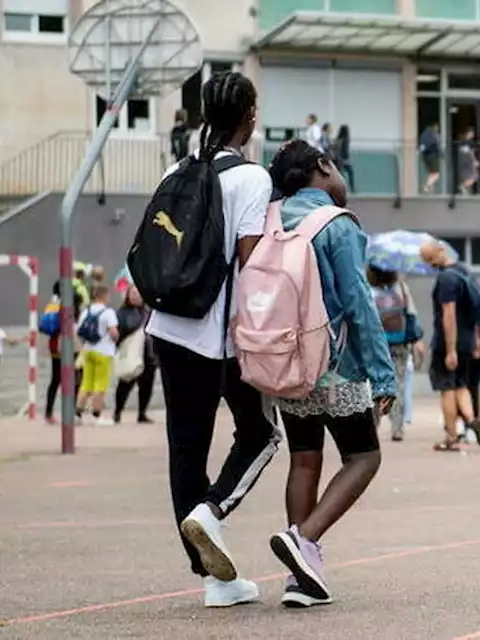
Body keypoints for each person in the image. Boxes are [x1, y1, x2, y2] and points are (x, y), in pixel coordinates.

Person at [146, 71, 281, 608]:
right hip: (217, 336)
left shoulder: (177, 169)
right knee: (260, 435)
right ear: (249, 115)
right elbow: (252, 263)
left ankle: (214, 581)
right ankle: (212, 511)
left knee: (185, 447)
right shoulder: (252, 179)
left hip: (168, 327)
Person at [264, 139, 398, 608]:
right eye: (335, 166)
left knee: (304, 458)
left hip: (283, 360)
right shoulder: (336, 225)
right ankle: (306, 540)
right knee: (364, 457)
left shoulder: (269, 220)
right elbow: (359, 303)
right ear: (322, 168)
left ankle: (301, 579)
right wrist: (383, 375)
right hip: (335, 364)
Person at [420, 238, 480, 451]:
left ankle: (451, 435)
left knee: (447, 388)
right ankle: (472, 421)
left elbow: (449, 315)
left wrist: (450, 349)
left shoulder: (445, 280)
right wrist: (479, 337)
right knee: (461, 384)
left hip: (448, 343)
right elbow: (479, 307)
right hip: (468, 339)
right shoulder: (464, 272)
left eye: (427, 259)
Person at [368, 266, 425, 442]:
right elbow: (411, 314)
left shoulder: (367, 289)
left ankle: (372, 427)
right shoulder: (401, 287)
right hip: (399, 344)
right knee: (398, 385)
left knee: (374, 385)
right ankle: (397, 429)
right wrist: (417, 340)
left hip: (375, 345)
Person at [74, 284, 118, 425]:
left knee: (86, 382)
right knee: (101, 384)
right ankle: (96, 415)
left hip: (88, 350)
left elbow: (79, 331)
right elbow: (113, 333)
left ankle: (78, 413)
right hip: (104, 351)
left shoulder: (86, 312)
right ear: (104, 296)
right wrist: (116, 338)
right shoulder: (108, 312)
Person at [113, 284, 158, 424]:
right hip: (131, 353)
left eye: (138, 294)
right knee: (125, 385)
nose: (135, 296)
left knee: (146, 386)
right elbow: (120, 331)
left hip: (148, 354)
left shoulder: (149, 311)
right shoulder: (122, 312)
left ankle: (142, 413)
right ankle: (118, 411)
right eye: (133, 293)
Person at [43, 283, 84, 424]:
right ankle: (73, 411)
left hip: (56, 347)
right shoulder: (73, 304)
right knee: (77, 378)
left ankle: (49, 412)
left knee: (56, 379)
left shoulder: (52, 305)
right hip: (71, 345)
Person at [419, 123, 441, 194]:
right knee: (436, 174)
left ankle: (431, 190)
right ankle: (427, 186)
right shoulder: (434, 135)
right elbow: (437, 145)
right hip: (433, 155)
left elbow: (422, 146)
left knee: (431, 173)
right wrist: (441, 154)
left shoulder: (424, 134)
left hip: (426, 155)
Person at [455, 127, 478, 195]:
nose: (472, 135)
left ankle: (465, 191)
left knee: (464, 176)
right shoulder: (469, 143)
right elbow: (471, 153)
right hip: (468, 162)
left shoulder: (461, 142)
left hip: (462, 161)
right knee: (474, 176)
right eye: (471, 133)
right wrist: (475, 161)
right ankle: (463, 186)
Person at [331, 124, 353, 192]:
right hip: (343, 160)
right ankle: (350, 188)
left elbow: (334, 149)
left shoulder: (338, 139)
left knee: (342, 175)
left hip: (339, 160)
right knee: (349, 173)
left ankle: (344, 189)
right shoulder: (344, 140)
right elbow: (344, 151)